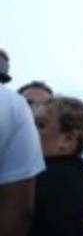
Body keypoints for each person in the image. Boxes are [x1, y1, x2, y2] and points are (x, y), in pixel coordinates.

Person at [31, 96, 83, 236]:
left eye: (40, 125)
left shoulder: (47, 179)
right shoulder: (78, 175)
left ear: (68, 139)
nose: (29, 132)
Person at [0, 84, 44, 236]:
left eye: (45, 104)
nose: (36, 112)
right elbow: (19, 210)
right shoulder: (12, 104)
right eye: (30, 103)